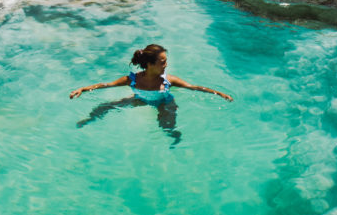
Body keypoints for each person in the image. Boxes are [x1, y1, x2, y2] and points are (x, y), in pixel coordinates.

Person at [69, 44, 232, 143]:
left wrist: (218, 93)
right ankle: (90, 119)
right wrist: (83, 89)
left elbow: (194, 87)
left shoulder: (169, 80)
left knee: (166, 125)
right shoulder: (132, 79)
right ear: (149, 64)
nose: (166, 65)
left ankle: (173, 136)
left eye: (166, 61)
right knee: (106, 106)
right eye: (162, 62)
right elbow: (107, 84)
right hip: (140, 98)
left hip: (164, 102)